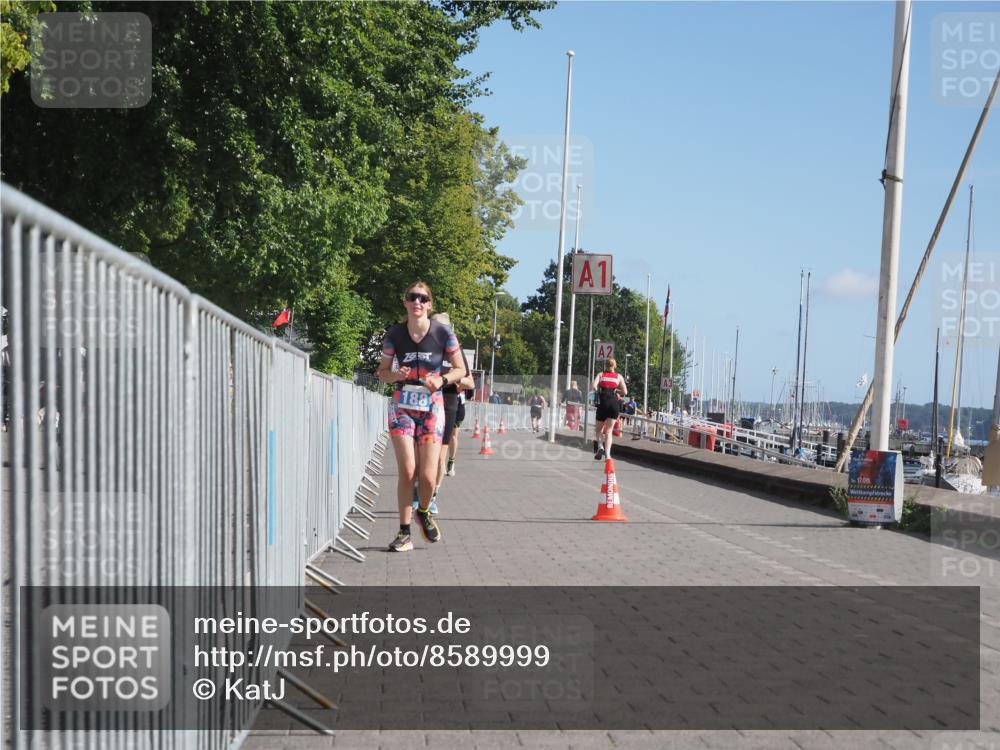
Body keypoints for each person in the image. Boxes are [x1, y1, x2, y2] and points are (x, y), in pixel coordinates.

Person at [376, 282, 465, 552]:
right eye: (412, 297)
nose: (417, 302)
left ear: (430, 304)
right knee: (407, 470)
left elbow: (461, 370)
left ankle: (423, 511)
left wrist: (442, 379)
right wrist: (395, 375)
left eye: (422, 298)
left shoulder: (443, 333)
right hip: (402, 404)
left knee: (427, 477)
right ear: (405, 303)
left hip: (432, 406)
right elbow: (381, 372)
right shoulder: (395, 334)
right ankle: (404, 533)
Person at [428, 312, 475, 508]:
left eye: (444, 330)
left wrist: (450, 377)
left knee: (439, 457)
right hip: (425, 406)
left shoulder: (456, 352)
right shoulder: (423, 348)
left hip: (448, 406)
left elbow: (470, 382)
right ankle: (420, 488)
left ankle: (432, 497)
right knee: (423, 457)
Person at [592, 358, 627, 460]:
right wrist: (616, 391)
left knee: (598, 429)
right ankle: (608, 454)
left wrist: (599, 391)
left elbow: (593, 386)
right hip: (614, 405)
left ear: (605, 365)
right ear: (614, 366)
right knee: (609, 431)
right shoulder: (619, 376)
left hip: (603, 404)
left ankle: (600, 446)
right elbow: (625, 391)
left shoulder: (600, 375)